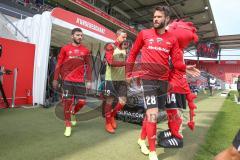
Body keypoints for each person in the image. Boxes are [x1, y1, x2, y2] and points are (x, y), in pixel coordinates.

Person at [126, 6, 184, 160]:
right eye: (154, 17)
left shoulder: (172, 39)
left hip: (163, 81)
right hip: (148, 79)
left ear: (167, 20)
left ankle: (141, 139)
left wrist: (185, 68)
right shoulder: (144, 34)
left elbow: (177, 62)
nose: (156, 19)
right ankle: (152, 151)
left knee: (151, 113)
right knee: (153, 114)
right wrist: (128, 72)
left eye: (159, 17)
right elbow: (132, 53)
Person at [157, 20, 200, 148]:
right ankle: (172, 131)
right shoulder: (176, 50)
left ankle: (178, 137)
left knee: (175, 112)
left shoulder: (176, 50)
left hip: (176, 87)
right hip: (174, 86)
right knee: (171, 111)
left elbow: (174, 66)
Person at [53, 28, 92, 137]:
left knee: (82, 102)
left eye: (81, 35)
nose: (80, 37)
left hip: (80, 81)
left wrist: (89, 80)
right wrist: (55, 78)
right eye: (77, 35)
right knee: (67, 103)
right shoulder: (65, 49)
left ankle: (73, 112)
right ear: (72, 36)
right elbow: (58, 64)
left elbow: (89, 66)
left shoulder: (85, 50)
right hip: (67, 80)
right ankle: (68, 125)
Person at [103, 29, 128, 134]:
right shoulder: (110, 46)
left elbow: (125, 65)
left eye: (126, 37)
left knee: (122, 102)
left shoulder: (124, 49)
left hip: (121, 80)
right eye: (123, 37)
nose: (125, 39)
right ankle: (107, 123)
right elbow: (110, 63)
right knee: (109, 102)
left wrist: (127, 75)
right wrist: (125, 63)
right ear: (117, 37)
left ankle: (112, 115)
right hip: (110, 80)